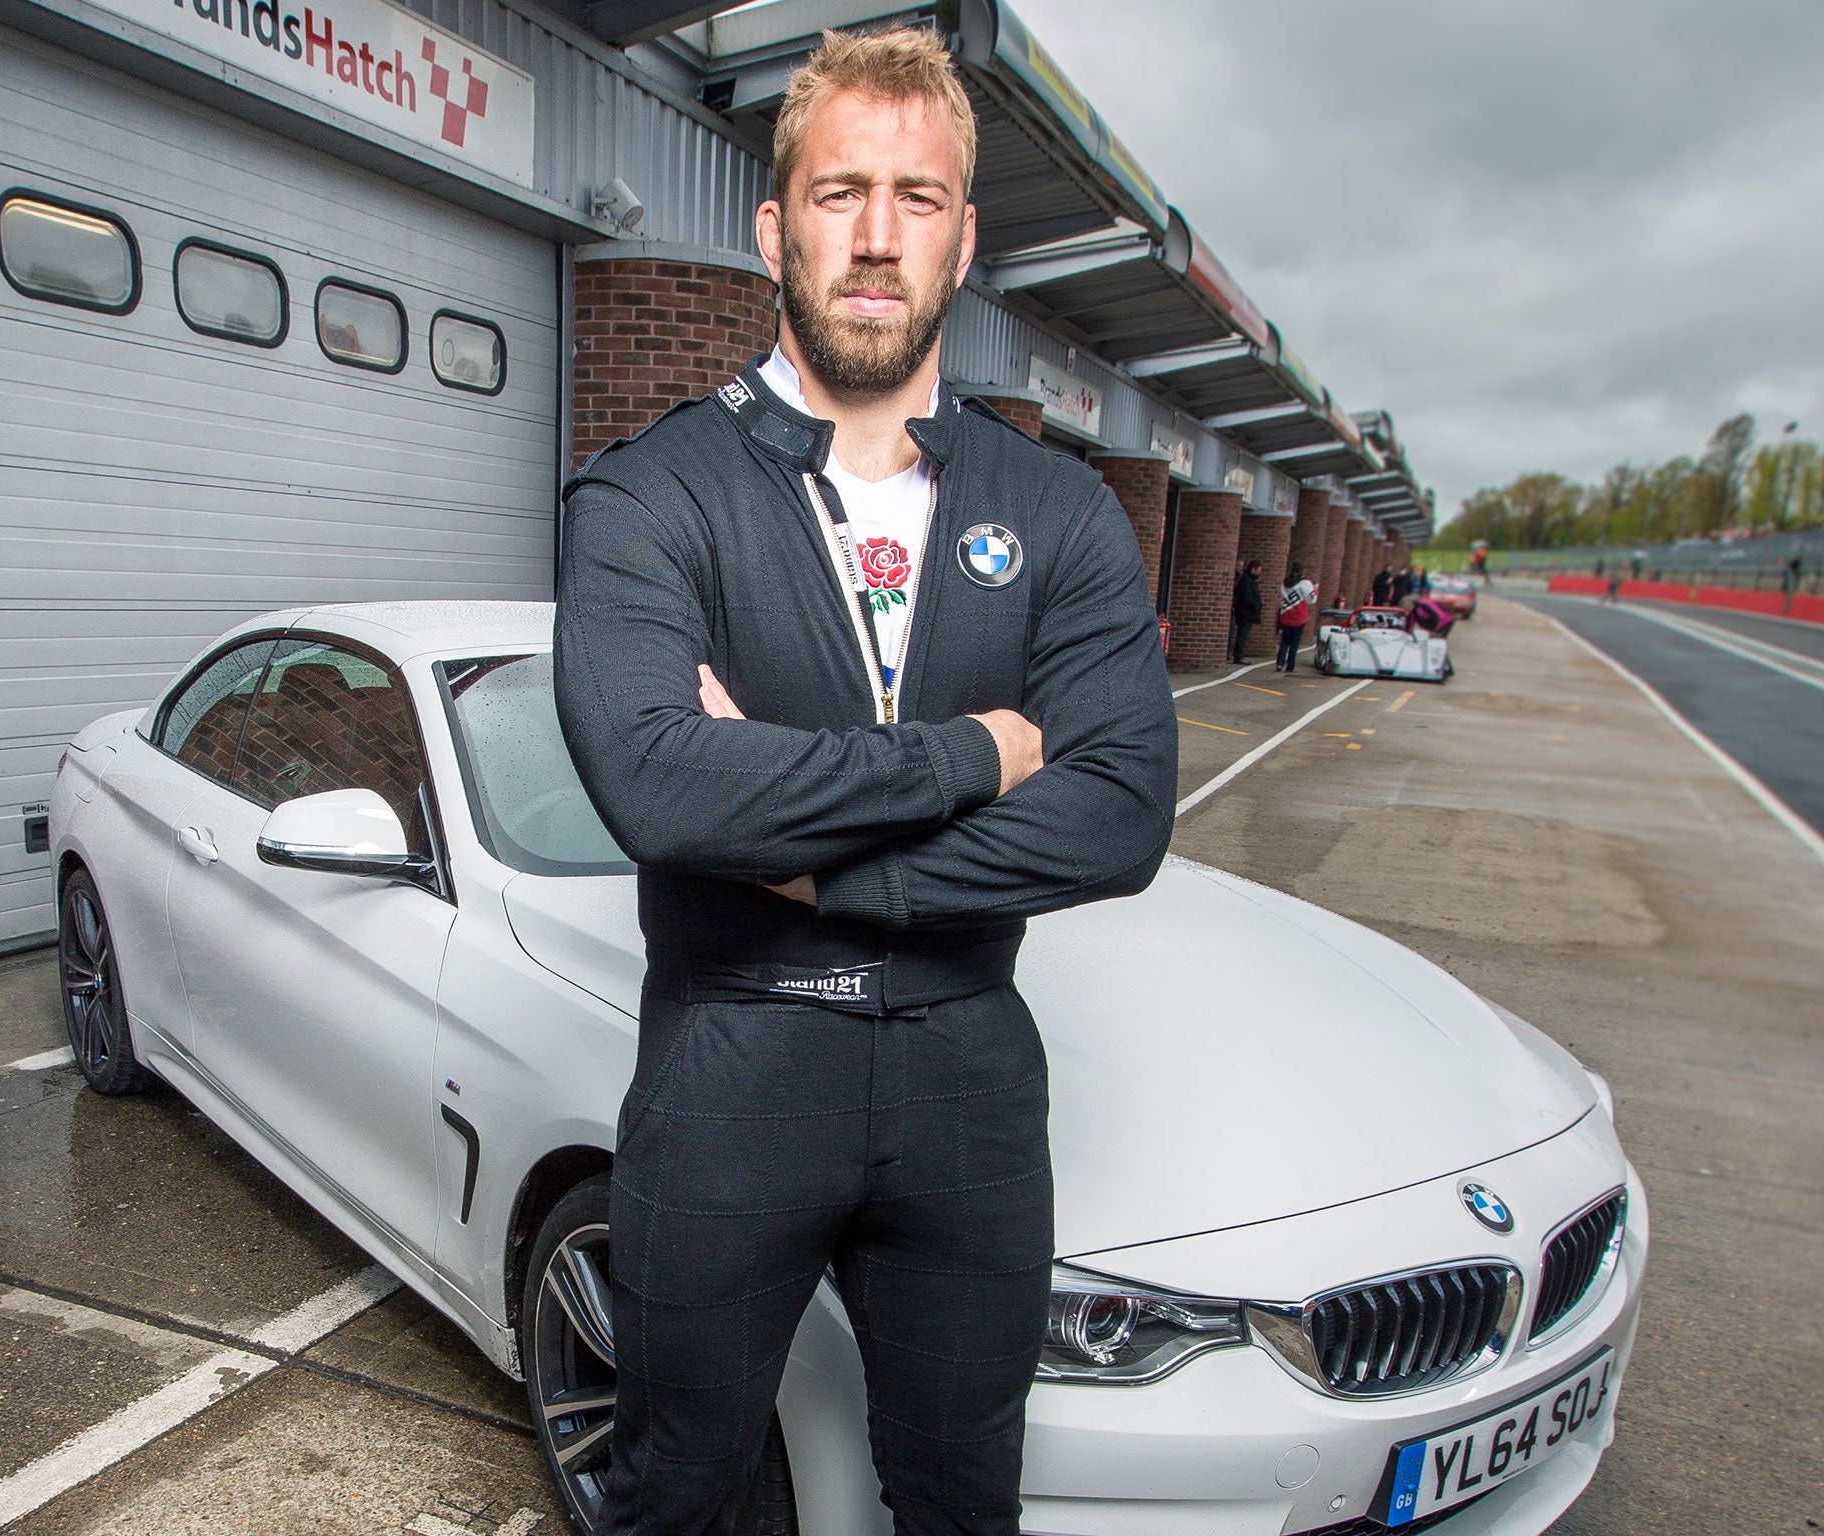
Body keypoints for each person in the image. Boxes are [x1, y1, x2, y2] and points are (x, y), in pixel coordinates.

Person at [552, 29, 1177, 1536]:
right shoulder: (655, 492)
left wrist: (823, 859)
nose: (879, 236)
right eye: (840, 192)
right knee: (676, 1494)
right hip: (734, 1058)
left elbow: (1123, 809)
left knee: (964, 1500)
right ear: (776, 230)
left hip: (968, 1068)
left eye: (918, 197)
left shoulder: (1059, 510)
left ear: (965, 238)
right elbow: (657, 784)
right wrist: (978, 753)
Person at [1276, 561, 1316, 672]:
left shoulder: (1285, 582)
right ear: (1303, 571)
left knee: (1284, 640)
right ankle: (1290, 666)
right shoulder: (1306, 583)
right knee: (1295, 642)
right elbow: (1311, 600)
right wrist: (1315, 590)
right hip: (1299, 615)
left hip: (1285, 613)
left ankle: (1279, 663)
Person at [1230, 557, 1263, 663]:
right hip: (1246, 613)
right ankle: (1238, 656)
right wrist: (1255, 605)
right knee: (1242, 635)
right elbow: (1246, 596)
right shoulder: (1247, 580)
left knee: (1243, 635)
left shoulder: (1249, 580)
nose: (1259, 573)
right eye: (1259, 570)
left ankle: (1239, 655)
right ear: (1253, 569)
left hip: (1247, 612)